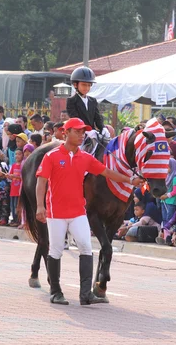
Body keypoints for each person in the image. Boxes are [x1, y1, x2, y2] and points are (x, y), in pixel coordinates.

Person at [35, 118, 143, 306]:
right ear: (65, 132)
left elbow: (107, 173)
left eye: (83, 131)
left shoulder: (85, 157)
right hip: (56, 212)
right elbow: (41, 182)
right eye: (77, 131)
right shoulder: (51, 156)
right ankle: (56, 292)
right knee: (56, 250)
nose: (81, 134)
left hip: (78, 212)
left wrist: (130, 180)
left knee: (86, 246)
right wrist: (40, 206)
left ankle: (86, 294)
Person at [65, 67, 104, 134]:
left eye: (89, 85)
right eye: (84, 85)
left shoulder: (93, 101)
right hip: (79, 133)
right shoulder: (71, 101)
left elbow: (97, 118)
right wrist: (86, 131)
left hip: (92, 133)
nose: (86, 88)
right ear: (75, 85)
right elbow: (76, 118)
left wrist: (103, 128)